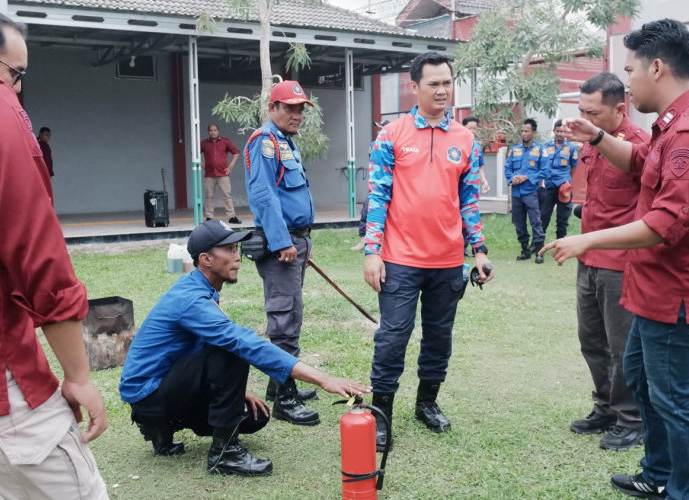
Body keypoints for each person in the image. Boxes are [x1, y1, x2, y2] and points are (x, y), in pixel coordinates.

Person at [541, 18, 689, 500]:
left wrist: (587, 241)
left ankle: (685, 490)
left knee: (675, 401)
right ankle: (657, 472)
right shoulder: (668, 126)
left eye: (629, 70)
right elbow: (638, 160)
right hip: (648, 290)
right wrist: (594, 137)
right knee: (642, 381)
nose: (626, 81)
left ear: (656, 66)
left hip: (674, 296)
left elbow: (666, 222)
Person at [119, 220, 370, 477]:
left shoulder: (198, 287)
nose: (238, 257)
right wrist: (324, 379)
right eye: (228, 250)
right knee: (235, 349)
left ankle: (161, 432)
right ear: (205, 259)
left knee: (253, 417)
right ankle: (223, 454)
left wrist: (235, 392)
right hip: (150, 395)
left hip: (158, 390)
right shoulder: (191, 299)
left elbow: (201, 349)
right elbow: (243, 343)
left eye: (236, 248)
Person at [0, 14, 108, 498]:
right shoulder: (4, 117)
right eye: (15, 74)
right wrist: (79, 375)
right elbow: (38, 256)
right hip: (9, 386)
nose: (17, 91)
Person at [364, 52, 493, 452]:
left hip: (448, 262)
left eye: (447, 82)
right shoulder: (391, 134)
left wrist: (480, 251)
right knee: (393, 336)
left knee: (439, 337)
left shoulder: (466, 139)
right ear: (414, 86)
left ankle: (427, 403)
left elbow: (469, 199)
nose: (442, 90)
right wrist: (373, 252)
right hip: (400, 259)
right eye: (433, 83)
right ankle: (381, 412)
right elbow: (378, 196)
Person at [569, 72, 648, 452]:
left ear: (620, 108)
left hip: (622, 263)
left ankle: (631, 418)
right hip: (588, 259)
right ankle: (605, 406)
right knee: (591, 340)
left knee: (622, 346)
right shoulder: (589, 141)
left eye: (594, 112)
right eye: (582, 110)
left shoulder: (639, 148)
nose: (586, 119)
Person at [244, 80, 320, 425]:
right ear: (272, 109)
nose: (297, 114)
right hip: (283, 245)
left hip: (295, 241)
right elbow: (263, 197)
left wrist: (299, 243)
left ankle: (279, 383)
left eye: (301, 108)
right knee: (284, 319)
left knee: (292, 313)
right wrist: (283, 242)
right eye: (289, 108)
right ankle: (285, 401)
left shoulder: (285, 143)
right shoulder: (265, 143)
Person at [504, 118, 549, 263]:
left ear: (534, 132)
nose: (523, 134)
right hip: (516, 193)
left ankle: (539, 252)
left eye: (526, 131)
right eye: (522, 131)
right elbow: (507, 168)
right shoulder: (515, 149)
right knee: (519, 223)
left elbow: (545, 171)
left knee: (536, 221)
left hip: (531, 192)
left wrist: (527, 177)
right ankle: (524, 250)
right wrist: (512, 178)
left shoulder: (541, 150)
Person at [351, 119, 390, 251]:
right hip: (377, 187)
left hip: (394, 187)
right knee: (367, 210)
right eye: (378, 128)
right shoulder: (375, 144)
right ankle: (364, 240)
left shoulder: (395, 142)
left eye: (381, 128)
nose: (378, 131)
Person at [540, 119, 578, 239]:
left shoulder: (572, 148)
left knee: (563, 218)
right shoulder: (545, 147)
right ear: (554, 131)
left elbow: (574, 166)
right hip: (548, 186)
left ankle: (560, 243)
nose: (560, 133)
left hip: (564, 186)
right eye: (558, 131)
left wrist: (568, 179)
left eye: (562, 131)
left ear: (566, 132)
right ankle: (537, 244)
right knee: (543, 216)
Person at [200, 124, 242, 224]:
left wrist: (231, 166)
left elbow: (236, 152)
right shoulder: (203, 143)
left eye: (215, 130)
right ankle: (209, 217)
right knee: (209, 196)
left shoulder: (225, 141)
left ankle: (232, 216)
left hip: (223, 173)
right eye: (211, 130)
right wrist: (201, 163)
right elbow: (195, 153)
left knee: (227, 195)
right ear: (208, 132)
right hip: (209, 174)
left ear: (218, 131)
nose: (213, 132)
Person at [462, 117, 491, 194]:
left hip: (473, 186)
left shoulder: (477, 146)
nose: (472, 131)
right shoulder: (457, 144)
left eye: (474, 128)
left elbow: (479, 167)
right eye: (469, 128)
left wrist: (484, 181)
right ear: (463, 127)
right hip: (459, 184)